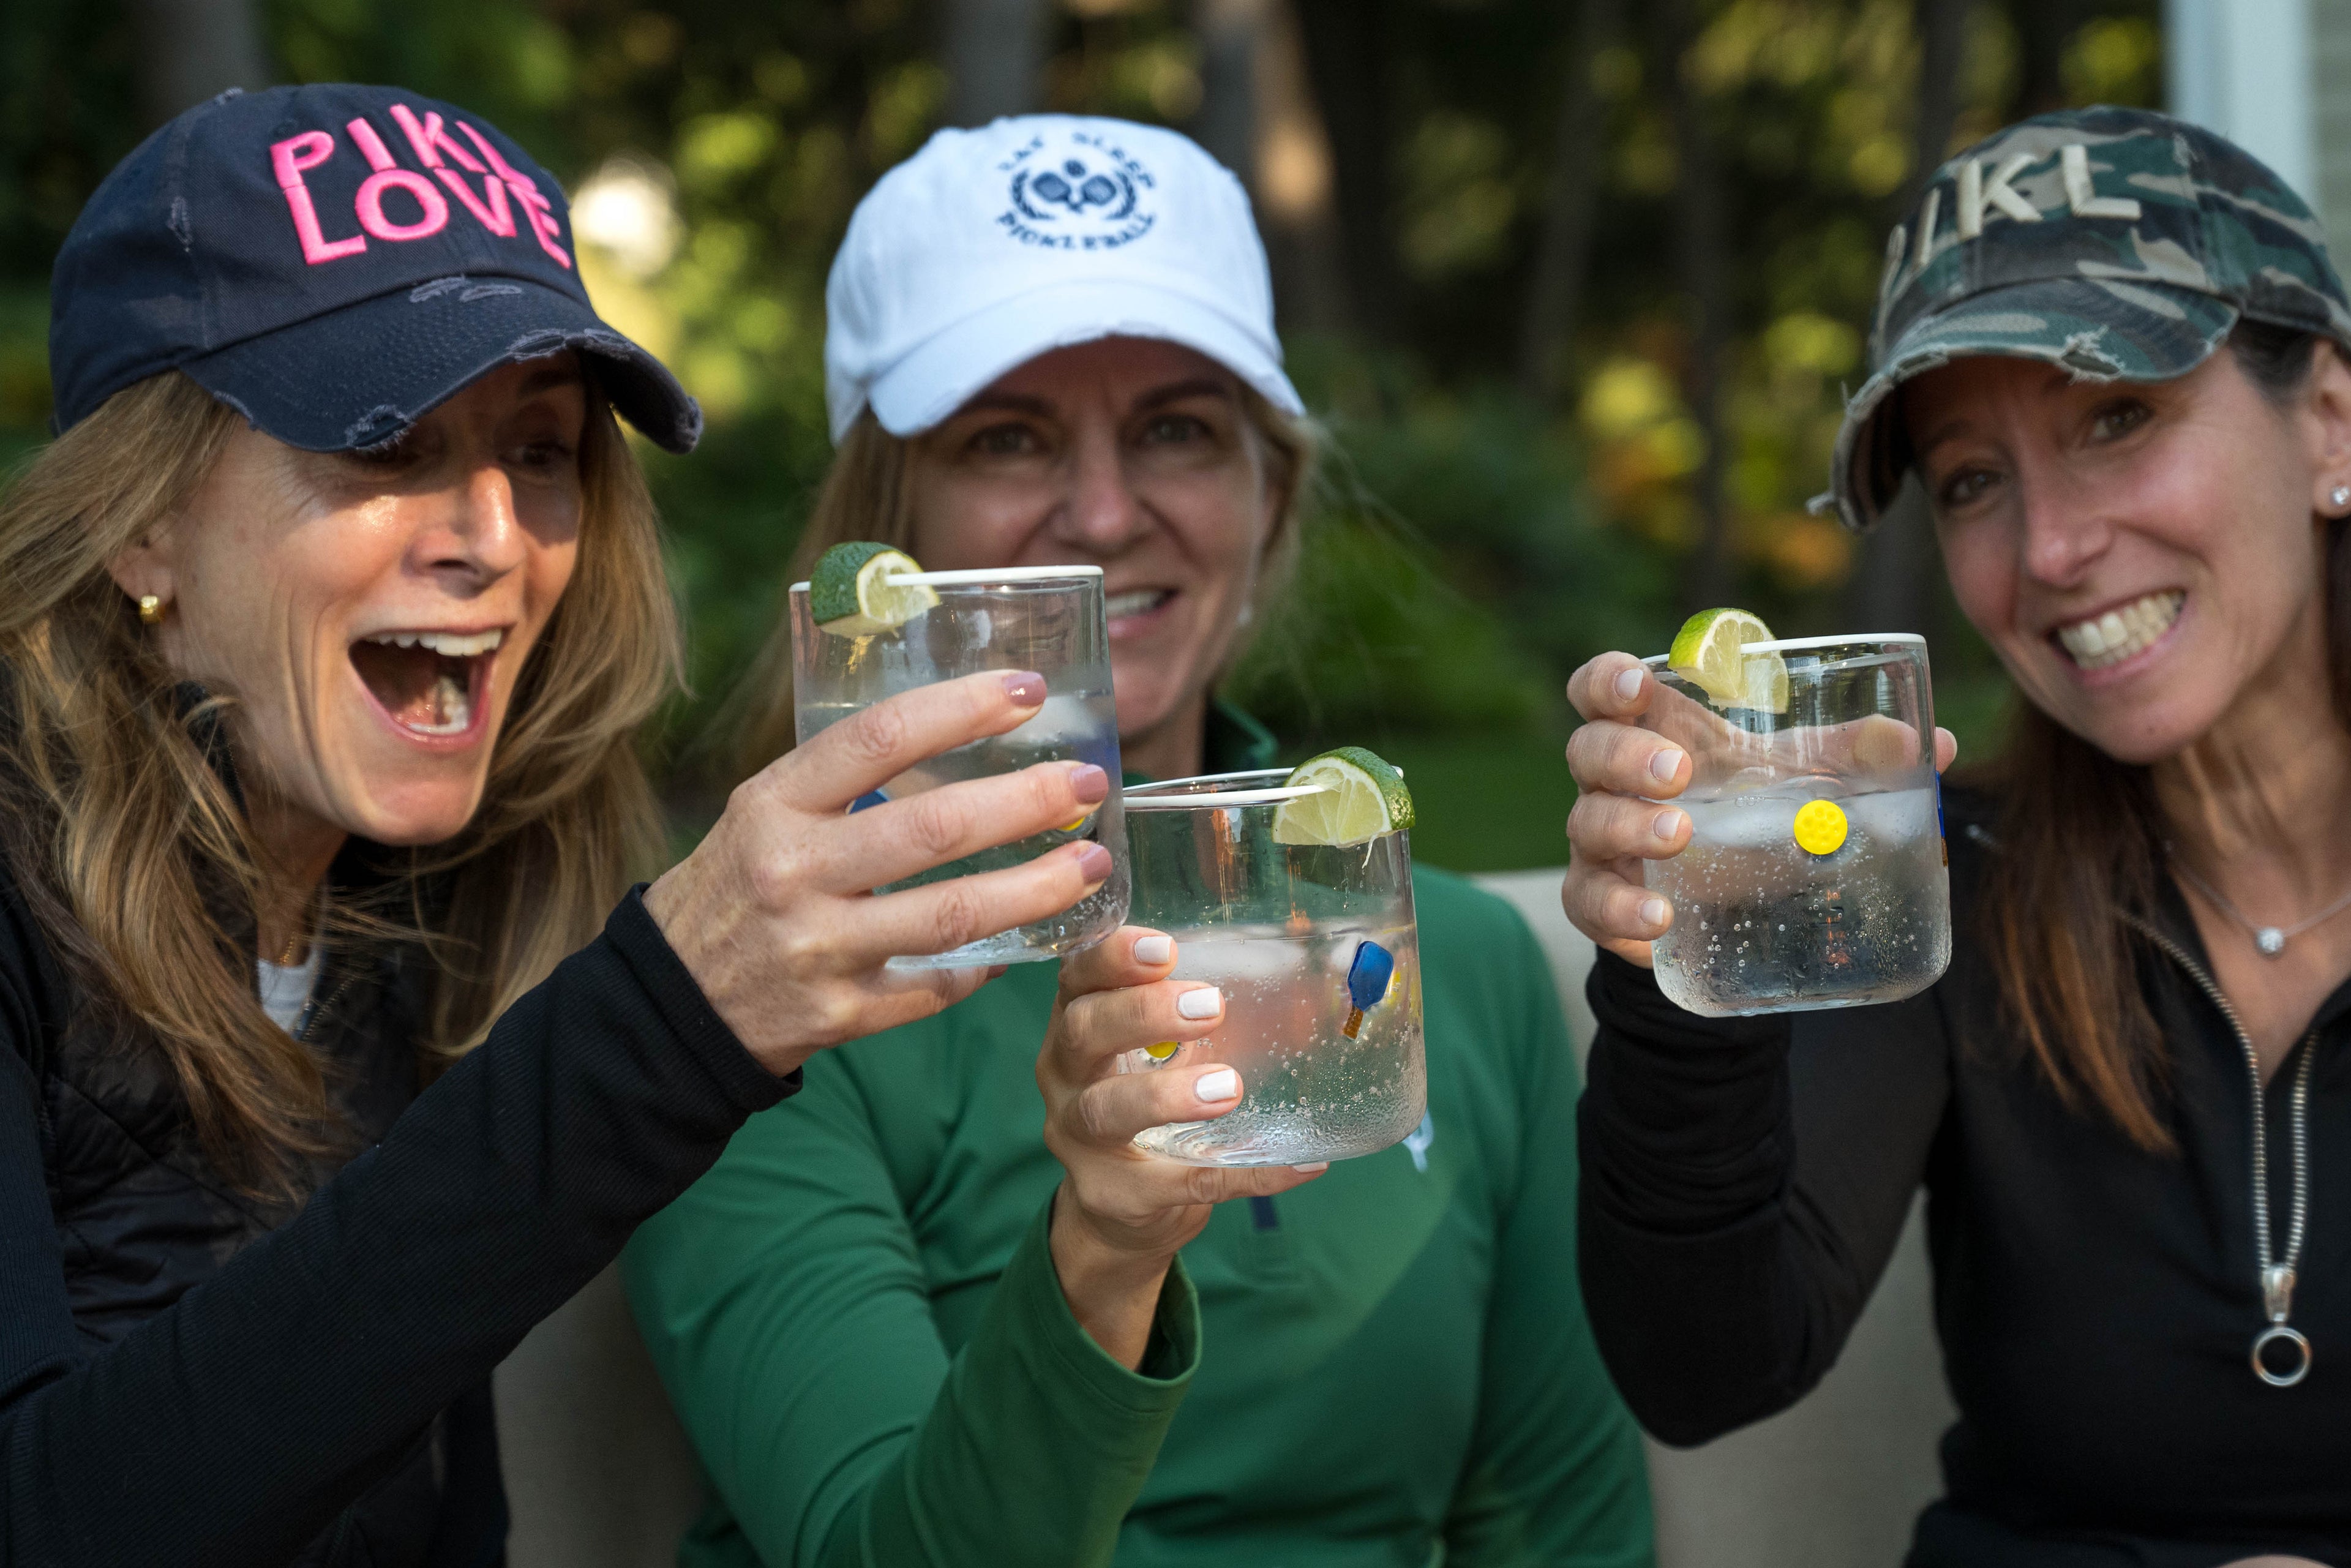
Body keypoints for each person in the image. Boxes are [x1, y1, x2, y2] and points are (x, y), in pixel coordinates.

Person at [0, 84, 1118, 1568]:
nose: (494, 537)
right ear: (143, 520)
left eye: (541, 453)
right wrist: (664, 1021)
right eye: (387, 443)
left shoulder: (403, 900)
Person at [623, 115, 1655, 1567]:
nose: (1106, 514)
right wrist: (1104, 1257)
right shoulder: (750, 1000)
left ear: (1268, 493)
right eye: (1008, 437)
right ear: (889, 520)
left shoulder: (1462, 961)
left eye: (1176, 428)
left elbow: (1562, 1537)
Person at [1564, 107, 2351, 1568]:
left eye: (2117, 417)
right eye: (1975, 481)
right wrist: (1683, 961)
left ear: (2329, 423)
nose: (2050, 550)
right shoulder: (1944, 879)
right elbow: (1708, 1366)